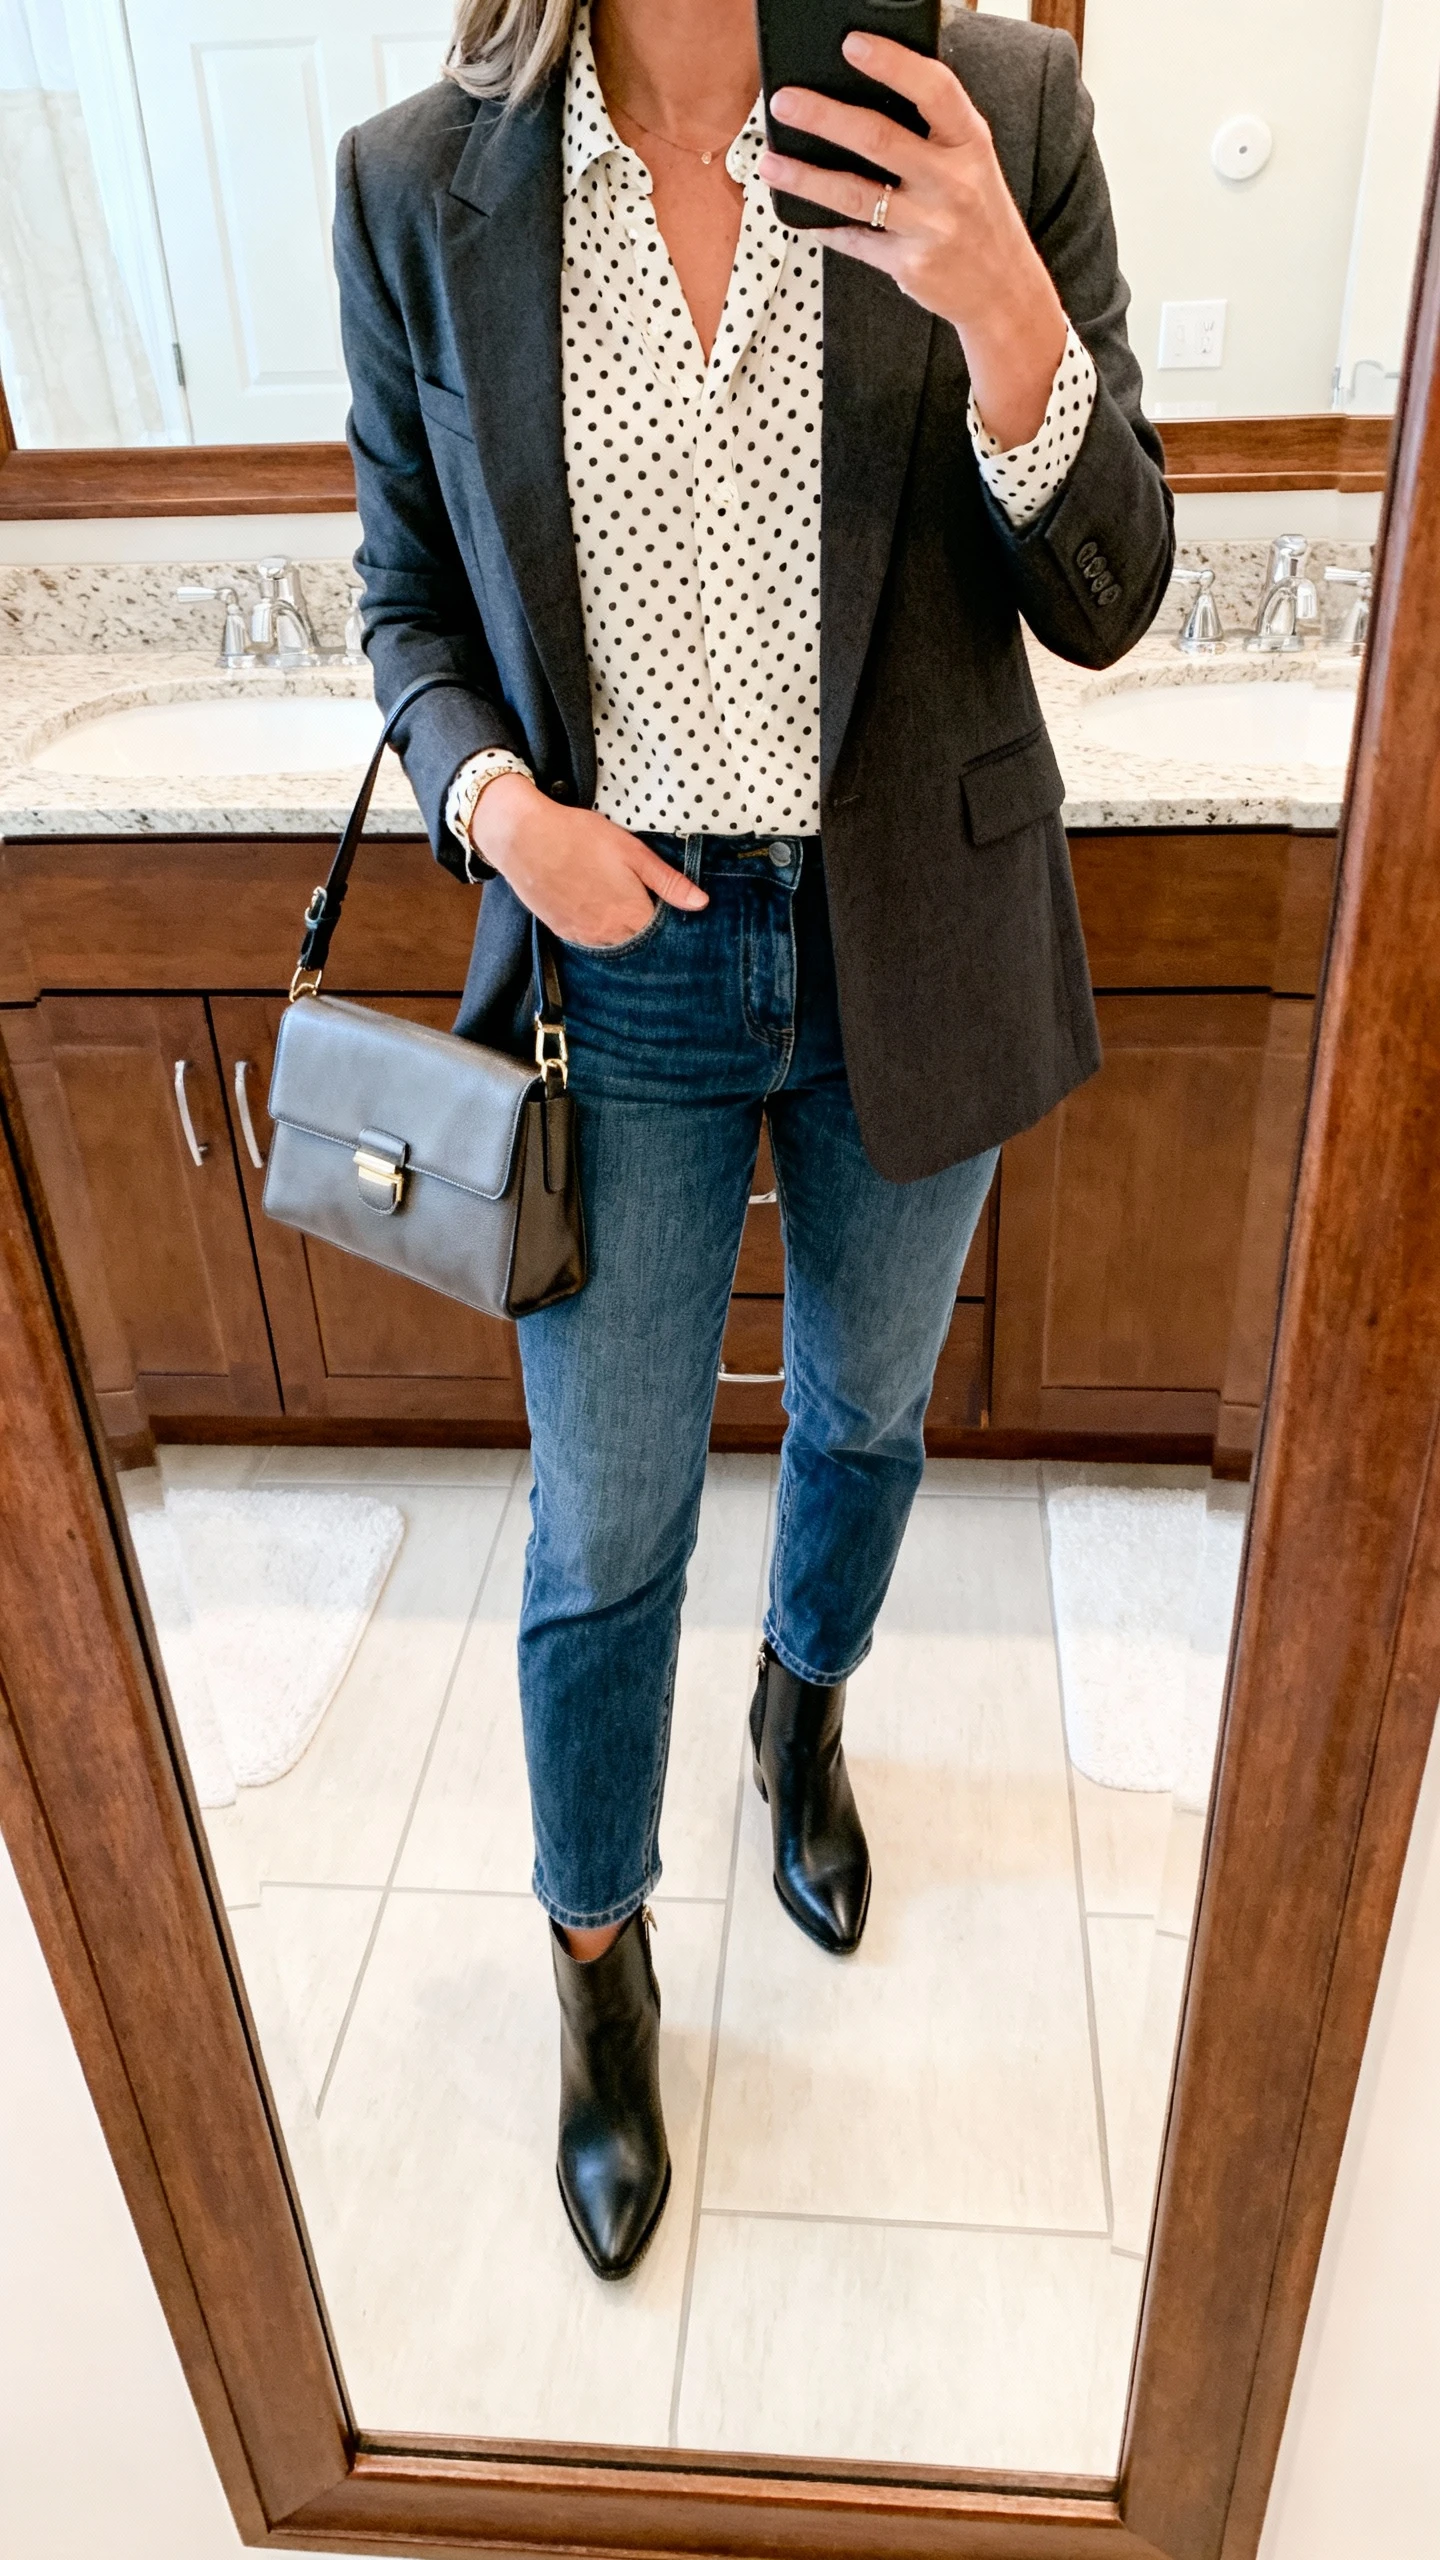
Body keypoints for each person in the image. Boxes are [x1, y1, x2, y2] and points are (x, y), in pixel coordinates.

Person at [333, 0, 1172, 2280]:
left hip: (921, 919)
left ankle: (803, 1715)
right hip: (622, 963)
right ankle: (597, 1964)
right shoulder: (423, 179)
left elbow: (1110, 596)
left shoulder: (990, 112)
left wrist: (1005, 307)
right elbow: (405, 595)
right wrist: (504, 815)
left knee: (866, 1411)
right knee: (600, 1517)